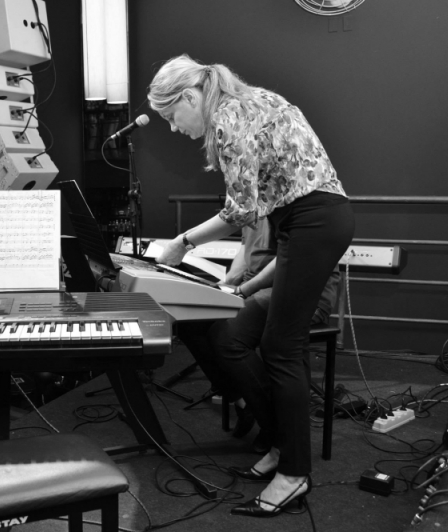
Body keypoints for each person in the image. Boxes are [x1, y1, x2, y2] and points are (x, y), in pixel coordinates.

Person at [148, 54, 354, 516]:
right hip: (307, 220)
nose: (175, 128)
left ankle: (295, 473)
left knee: (283, 348)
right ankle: (283, 449)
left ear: (189, 96)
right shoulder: (252, 100)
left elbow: (240, 211)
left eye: (171, 117)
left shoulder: (228, 116)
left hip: (313, 220)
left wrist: (181, 243)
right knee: (254, 341)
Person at [176, 218, 340, 452]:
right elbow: (246, 248)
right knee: (189, 320)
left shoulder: (291, 198)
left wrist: (242, 290)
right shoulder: (253, 197)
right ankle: (242, 401)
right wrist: (225, 284)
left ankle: (274, 427)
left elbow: (287, 260)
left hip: (299, 289)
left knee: (229, 338)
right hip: (255, 285)